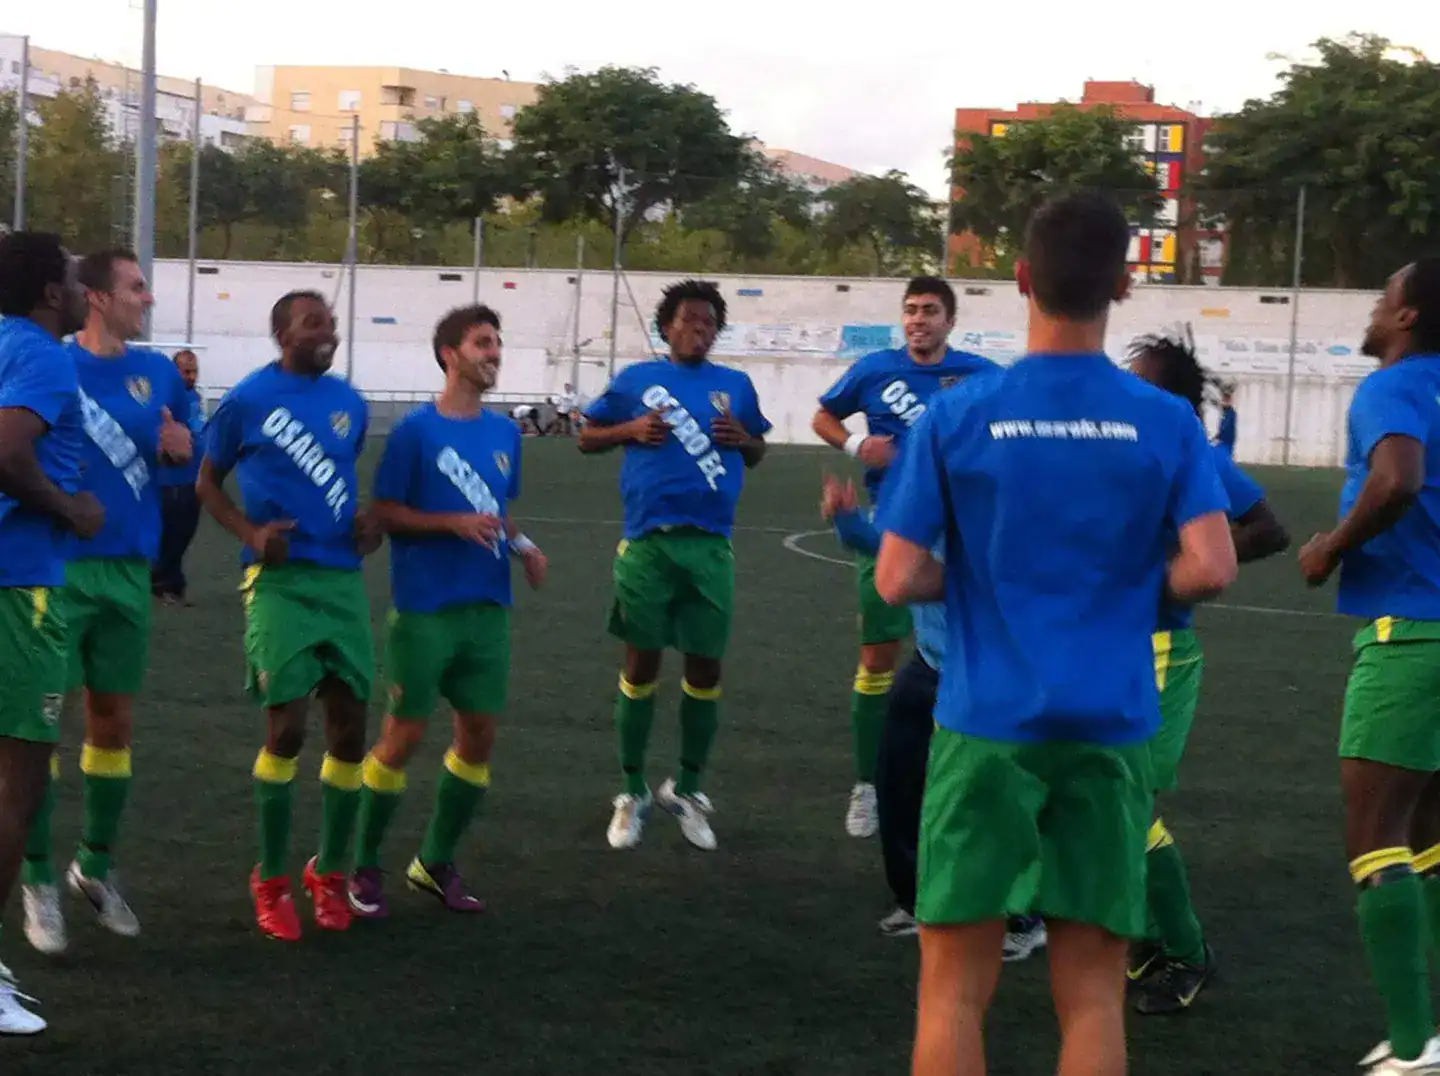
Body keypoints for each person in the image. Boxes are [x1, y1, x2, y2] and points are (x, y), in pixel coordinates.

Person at [876, 192, 1237, 1076]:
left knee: (952, 990)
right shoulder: (1164, 418)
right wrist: (1127, 589)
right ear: (1123, 284)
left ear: (1021, 278)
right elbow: (1212, 566)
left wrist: (984, 580)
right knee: (1092, 996)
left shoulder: (959, 413)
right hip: (1111, 725)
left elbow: (897, 577)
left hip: (985, 722)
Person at [19, 249, 193, 957]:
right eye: (135, 286)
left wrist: (183, 446)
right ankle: (35, 877)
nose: (147, 298)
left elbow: (188, 450)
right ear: (95, 296)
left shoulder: (158, 374)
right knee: (39, 729)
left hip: (127, 571)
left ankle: (92, 864)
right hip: (58, 568)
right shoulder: (51, 364)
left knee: (113, 722)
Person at [348, 305, 547, 918]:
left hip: (487, 609)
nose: (494, 352)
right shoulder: (415, 432)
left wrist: (524, 546)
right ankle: (362, 864)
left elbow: (498, 510)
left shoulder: (505, 434)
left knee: (478, 737)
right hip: (425, 609)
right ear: (449, 355)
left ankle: (434, 862)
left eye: (498, 342)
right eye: (482, 342)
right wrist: (449, 523)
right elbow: (383, 511)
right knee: (402, 736)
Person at [197, 289, 381, 942]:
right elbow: (206, 482)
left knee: (351, 733)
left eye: (330, 322)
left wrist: (367, 526)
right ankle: (271, 878)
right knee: (287, 732)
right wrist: (250, 533)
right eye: (312, 323)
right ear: (281, 334)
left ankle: (328, 872)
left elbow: (343, 482)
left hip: (342, 582)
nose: (327, 332)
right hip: (278, 584)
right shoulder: (247, 400)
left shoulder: (350, 402)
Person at [1299, 257, 1440, 1074]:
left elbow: (1397, 479)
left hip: (1413, 634)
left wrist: (1331, 546)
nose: (1374, 310)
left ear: (1409, 316)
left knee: (1375, 835)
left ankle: (1415, 1050)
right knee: (1430, 835)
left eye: (1384, 298)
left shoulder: (1393, 386)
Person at [1125, 329, 1290, 1015]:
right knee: (1094, 795)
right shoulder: (1120, 446)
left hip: (1161, 650)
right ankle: (1139, 936)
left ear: (1168, 398)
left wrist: (1180, 572)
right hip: (1109, 646)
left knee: (1129, 805)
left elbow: (1269, 529)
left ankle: (1187, 952)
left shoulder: (1195, 453)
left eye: (1138, 379)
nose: (1124, 387)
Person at [821, 472, 1047, 960]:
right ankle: (915, 898)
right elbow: (885, 545)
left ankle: (1023, 914)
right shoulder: (928, 501)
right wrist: (847, 520)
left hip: (988, 675)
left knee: (993, 796)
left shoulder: (998, 504)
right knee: (898, 781)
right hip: (930, 663)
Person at [581, 279, 770, 852]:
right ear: (667, 327)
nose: (699, 329)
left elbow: (758, 450)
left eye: (709, 322)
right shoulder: (636, 380)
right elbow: (587, 436)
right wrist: (630, 430)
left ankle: (686, 788)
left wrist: (744, 439)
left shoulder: (735, 385)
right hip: (649, 544)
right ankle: (631, 790)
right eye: (689, 320)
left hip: (710, 547)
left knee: (705, 669)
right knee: (641, 663)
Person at [811, 277, 994, 839]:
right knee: (878, 661)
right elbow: (823, 416)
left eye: (930, 310)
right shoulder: (875, 370)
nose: (918, 320)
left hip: (960, 530)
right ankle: (868, 784)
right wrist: (855, 445)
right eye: (911, 310)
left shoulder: (982, 374)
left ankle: (963, 772)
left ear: (950, 321)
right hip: (889, 528)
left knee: (960, 657)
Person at [0, 231, 102, 1033]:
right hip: (20, 584)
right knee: (18, 781)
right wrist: (69, 508)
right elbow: (8, 452)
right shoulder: (42, 354)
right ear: (47, 293)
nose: (81, 290)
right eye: (71, 277)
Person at [152, 348, 206, 605]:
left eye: (194, 371)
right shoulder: (164, 399)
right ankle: (163, 584)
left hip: (193, 478)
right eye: (186, 371)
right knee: (171, 534)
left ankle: (172, 582)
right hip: (170, 481)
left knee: (185, 533)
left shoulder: (194, 397)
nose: (191, 376)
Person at [1215, 386, 1237, 456]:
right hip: (1224, 440)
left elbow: (1225, 425)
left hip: (1227, 440)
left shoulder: (1230, 413)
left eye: (1224, 401)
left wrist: (1219, 434)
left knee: (1225, 455)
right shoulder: (1225, 413)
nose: (1222, 403)